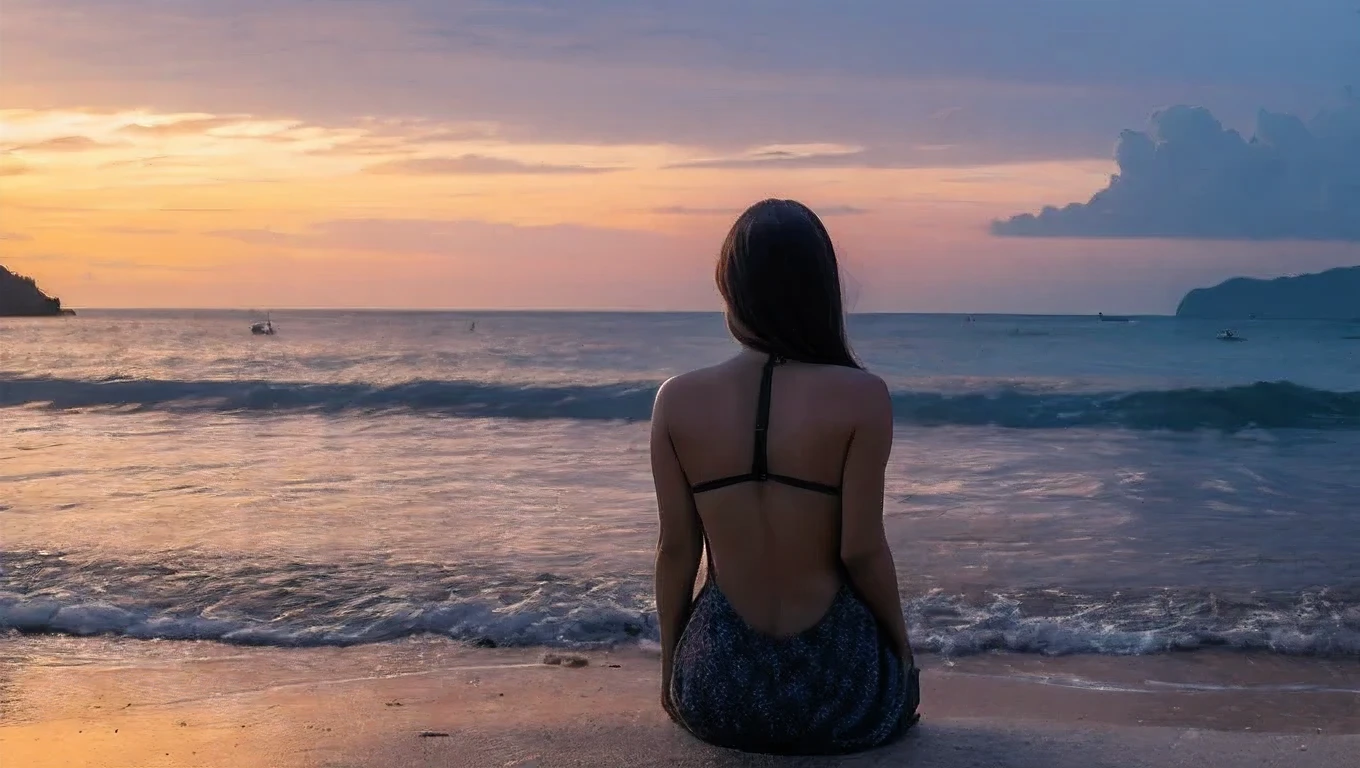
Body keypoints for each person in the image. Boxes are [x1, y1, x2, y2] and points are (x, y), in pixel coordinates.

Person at [650, 199, 920, 755]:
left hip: (718, 687)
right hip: (837, 692)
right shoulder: (863, 397)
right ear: (821, 290)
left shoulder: (676, 400)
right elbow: (862, 551)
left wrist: (673, 671)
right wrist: (904, 655)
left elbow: (677, 552)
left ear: (731, 288)